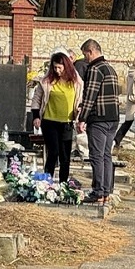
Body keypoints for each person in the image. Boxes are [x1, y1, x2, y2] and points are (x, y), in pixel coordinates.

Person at [76, 39, 121, 205]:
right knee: (106, 155)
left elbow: (90, 96)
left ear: (91, 51)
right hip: (113, 118)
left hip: (99, 118)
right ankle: (107, 191)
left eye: (85, 55)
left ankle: (98, 191)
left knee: (96, 155)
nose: (85, 59)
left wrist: (82, 118)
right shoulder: (111, 68)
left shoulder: (95, 69)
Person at [31, 48, 83, 183]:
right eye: (54, 68)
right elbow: (37, 99)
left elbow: (80, 99)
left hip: (66, 122)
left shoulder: (76, 82)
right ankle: (47, 181)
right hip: (49, 121)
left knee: (65, 155)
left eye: (59, 68)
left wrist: (79, 113)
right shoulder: (47, 81)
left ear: (66, 66)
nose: (57, 71)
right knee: (53, 151)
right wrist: (36, 116)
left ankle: (63, 183)